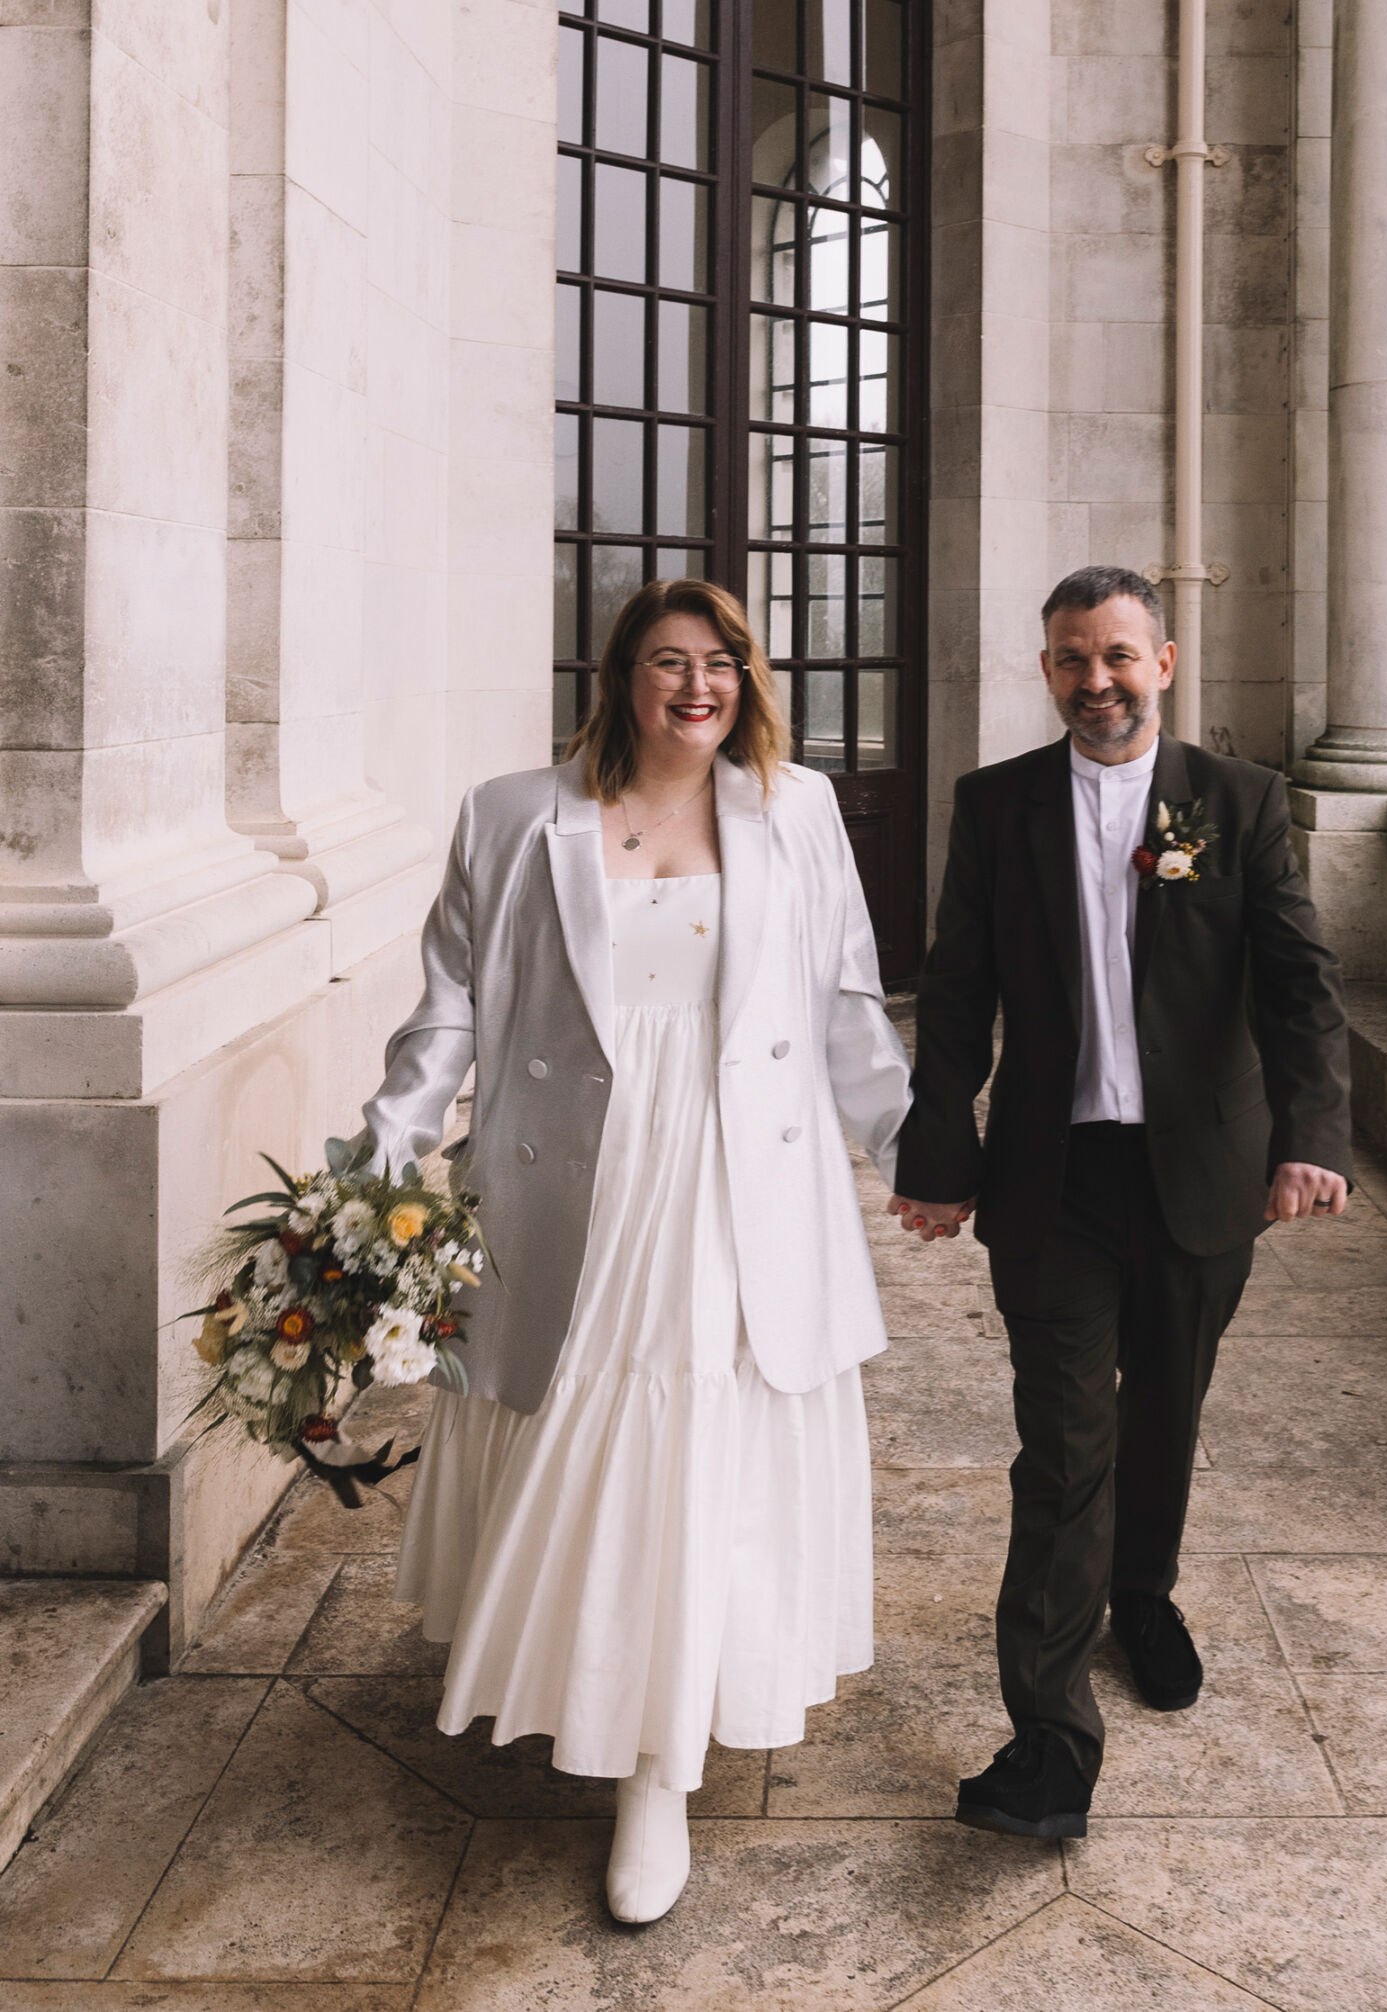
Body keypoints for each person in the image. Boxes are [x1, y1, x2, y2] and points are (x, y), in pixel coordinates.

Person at [349, 579, 911, 1926]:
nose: (698, 688)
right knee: (572, 1433)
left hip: (736, 1177)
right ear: (617, 677)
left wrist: (918, 1158)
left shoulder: (801, 809)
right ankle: (587, 1680)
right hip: (571, 1175)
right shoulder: (511, 814)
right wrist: (362, 1178)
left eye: (722, 664)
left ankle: (655, 1766)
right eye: (669, 663)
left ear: (751, 680)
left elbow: (846, 1008)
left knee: (698, 1436)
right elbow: (445, 1025)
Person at [889, 564, 1352, 1840]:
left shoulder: (1240, 802)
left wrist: (1311, 1136)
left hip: (1201, 1174)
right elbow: (959, 987)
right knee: (1064, 1448)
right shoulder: (996, 807)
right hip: (1054, 1177)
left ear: (1165, 659)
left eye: (1118, 656)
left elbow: (1299, 985)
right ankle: (1047, 1744)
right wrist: (939, 1156)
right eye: (1070, 659)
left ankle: (1141, 1599)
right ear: (1046, 671)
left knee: (1167, 1414)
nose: (1097, 680)